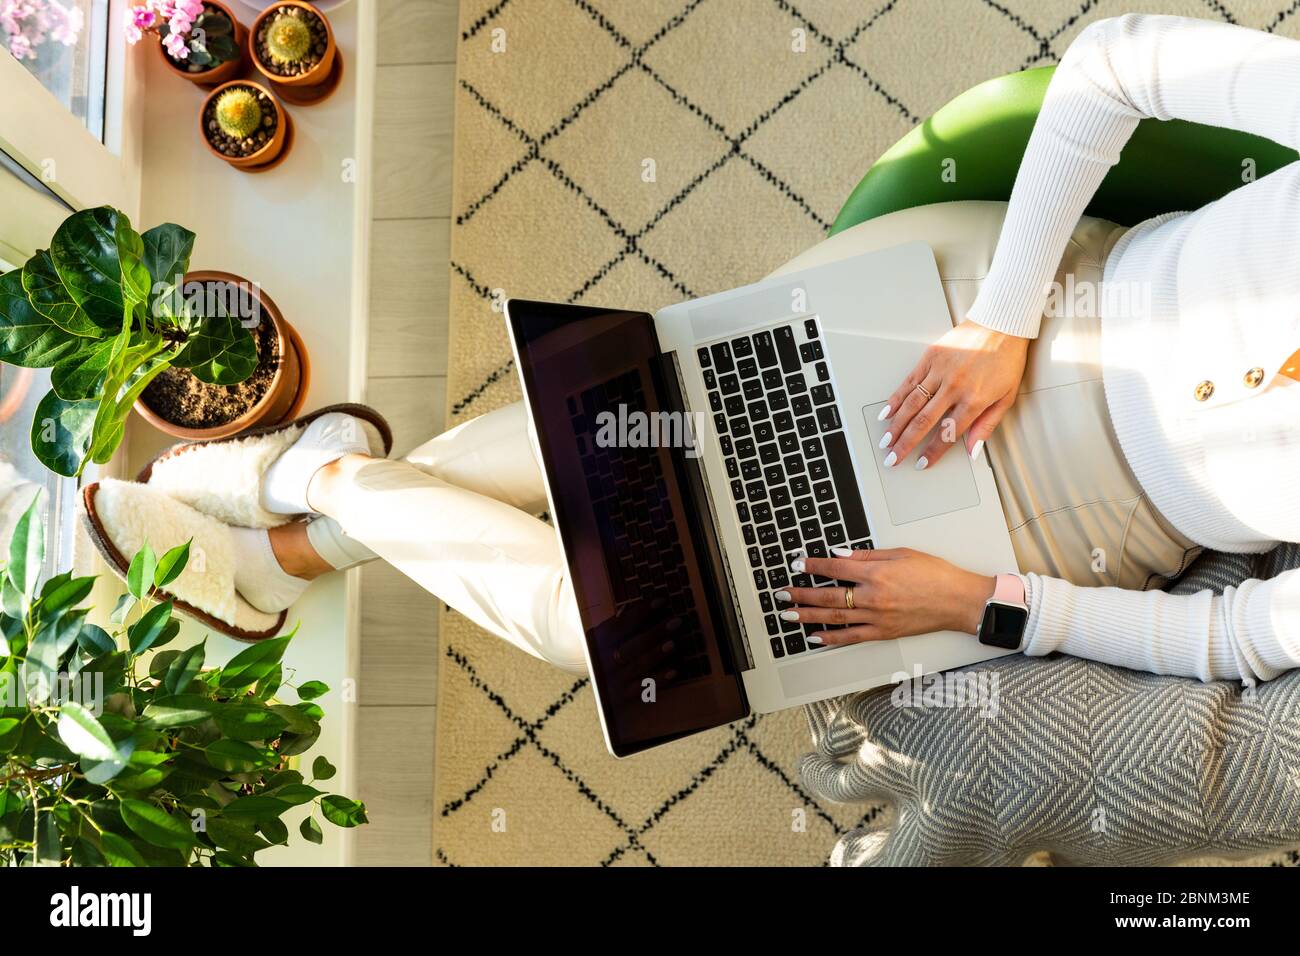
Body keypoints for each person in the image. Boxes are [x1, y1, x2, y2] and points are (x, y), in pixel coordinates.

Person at [94, 14, 1298, 684]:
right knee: (612, 439)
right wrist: (1003, 315)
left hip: (1055, 534)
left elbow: (1236, 637)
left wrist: (990, 605)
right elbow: (1108, 66)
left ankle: (310, 487)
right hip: (983, 317)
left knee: (613, 633)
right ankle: (291, 532)